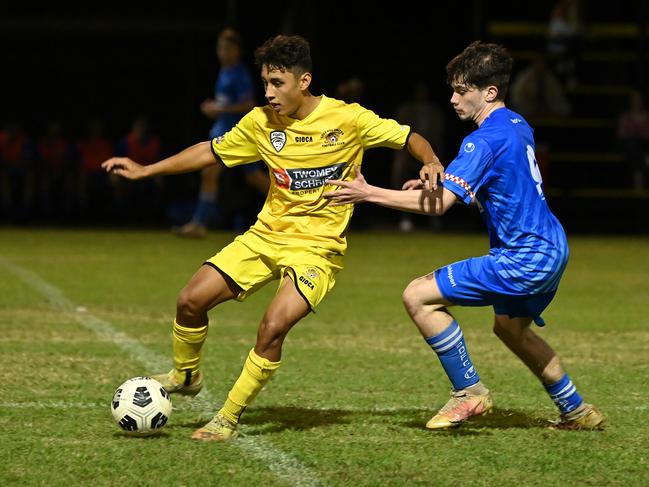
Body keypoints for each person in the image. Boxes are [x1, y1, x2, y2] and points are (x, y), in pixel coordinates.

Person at [102, 34, 444, 441]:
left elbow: (408, 138)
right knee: (189, 301)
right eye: (265, 82)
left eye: (277, 83)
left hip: (317, 250)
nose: (269, 93)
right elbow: (209, 151)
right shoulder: (261, 122)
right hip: (264, 237)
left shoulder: (348, 118)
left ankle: (227, 418)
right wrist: (146, 170)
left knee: (272, 327)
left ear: (304, 81)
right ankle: (186, 374)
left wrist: (432, 161)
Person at [325, 41, 604, 431]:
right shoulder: (516, 124)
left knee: (417, 296)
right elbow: (503, 185)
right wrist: (433, 189)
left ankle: (469, 392)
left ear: (489, 92)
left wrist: (367, 192)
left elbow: (439, 206)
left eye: (462, 90)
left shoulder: (481, 140)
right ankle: (576, 410)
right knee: (509, 328)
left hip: (523, 256)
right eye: (453, 89)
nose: (453, 98)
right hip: (552, 247)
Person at [174, 27, 268, 238]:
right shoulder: (224, 72)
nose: (222, 51)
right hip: (223, 132)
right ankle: (199, 224)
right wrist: (215, 107)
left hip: (236, 135)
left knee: (215, 172)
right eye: (220, 47)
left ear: (236, 50)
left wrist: (219, 109)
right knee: (251, 177)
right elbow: (228, 103)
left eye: (227, 48)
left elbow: (249, 104)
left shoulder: (239, 74)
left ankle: (199, 223)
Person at [390, 80, 445, 231]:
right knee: (399, 171)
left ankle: (435, 216)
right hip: (407, 150)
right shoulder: (406, 109)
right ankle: (404, 217)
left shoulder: (434, 110)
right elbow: (402, 131)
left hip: (431, 149)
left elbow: (438, 130)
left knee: (435, 177)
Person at [617, 89, 649, 190]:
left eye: (638, 99)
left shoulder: (647, 116)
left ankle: (640, 174)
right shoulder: (625, 117)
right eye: (634, 99)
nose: (636, 102)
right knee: (632, 145)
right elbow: (622, 134)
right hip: (631, 147)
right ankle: (639, 175)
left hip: (646, 146)